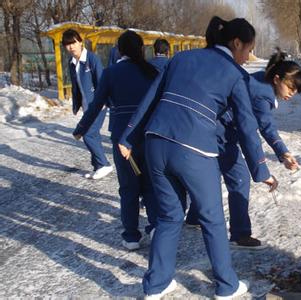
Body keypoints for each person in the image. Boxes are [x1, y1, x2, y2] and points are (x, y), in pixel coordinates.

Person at [118, 16, 278, 299]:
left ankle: (157, 284)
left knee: (169, 216)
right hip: (194, 149)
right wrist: (261, 170)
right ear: (236, 42)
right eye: (248, 49)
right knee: (212, 219)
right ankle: (227, 286)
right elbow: (246, 126)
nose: (247, 57)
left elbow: (152, 98)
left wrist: (128, 135)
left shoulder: (181, 58)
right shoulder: (233, 74)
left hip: (155, 143)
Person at [185, 48, 301, 250]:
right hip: (221, 132)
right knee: (239, 178)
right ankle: (240, 234)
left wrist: (282, 153)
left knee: (211, 174)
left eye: (295, 91)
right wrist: (268, 165)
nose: (292, 94)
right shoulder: (263, 95)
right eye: (291, 88)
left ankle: (194, 216)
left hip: (213, 127)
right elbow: (263, 128)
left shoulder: (261, 79)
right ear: (277, 79)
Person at [72, 30, 159, 251]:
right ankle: (156, 226)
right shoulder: (152, 72)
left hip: (122, 139)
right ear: (142, 49)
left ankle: (131, 236)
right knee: (151, 183)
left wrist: (81, 128)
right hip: (149, 136)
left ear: (118, 50)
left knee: (129, 188)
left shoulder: (111, 72)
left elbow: (96, 105)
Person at [62, 28, 113, 180]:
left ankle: (104, 164)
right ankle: (98, 166)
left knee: (88, 134)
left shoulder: (92, 59)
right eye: (67, 44)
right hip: (87, 107)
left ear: (80, 42)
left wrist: (103, 101)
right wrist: (76, 104)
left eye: (73, 43)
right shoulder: (72, 63)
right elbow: (76, 85)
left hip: (98, 105)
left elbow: (102, 81)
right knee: (94, 134)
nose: (71, 47)